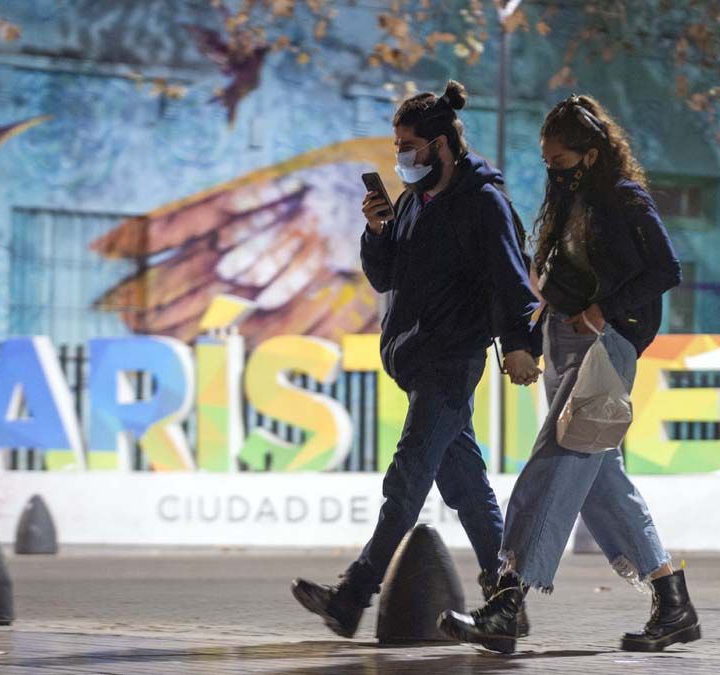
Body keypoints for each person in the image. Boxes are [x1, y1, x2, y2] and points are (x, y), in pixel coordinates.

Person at [438, 94, 698, 654]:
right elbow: (550, 287)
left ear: (592, 153)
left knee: (556, 458)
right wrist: (528, 343)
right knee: (599, 479)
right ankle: (674, 604)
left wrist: (606, 311)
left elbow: (666, 269)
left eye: (560, 160)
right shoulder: (564, 204)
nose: (552, 170)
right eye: (547, 161)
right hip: (563, 343)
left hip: (607, 347)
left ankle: (508, 600)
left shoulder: (626, 200)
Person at [292, 80, 542, 638]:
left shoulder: (484, 203)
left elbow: (510, 279)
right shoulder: (409, 203)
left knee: (408, 478)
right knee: (467, 489)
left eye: (410, 146)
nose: (401, 157)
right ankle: (508, 605)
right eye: (398, 146)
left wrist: (521, 344)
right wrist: (378, 230)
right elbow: (386, 277)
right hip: (416, 359)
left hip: (452, 358)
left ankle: (353, 596)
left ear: (443, 144)